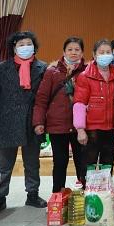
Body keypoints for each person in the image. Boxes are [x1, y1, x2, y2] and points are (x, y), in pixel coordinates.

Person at [0, 31, 48, 212]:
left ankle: (32, 195)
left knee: (32, 162)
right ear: (14, 47)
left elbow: (46, 97)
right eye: (21, 44)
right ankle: (0, 196)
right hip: (6, 120)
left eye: (28, 43)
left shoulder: (43, 68)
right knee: (4, 164)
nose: (25, 47)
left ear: (34, 46)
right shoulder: (2, 67)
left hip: (32, 121)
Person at [32, 36, 87, 192]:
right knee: (60, 162)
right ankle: (57, 196)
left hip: (81, 127)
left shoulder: (88, 71)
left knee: (82, 162)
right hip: (58, 125)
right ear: (64, 52)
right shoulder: (52, 71)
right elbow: (41, 99)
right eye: (70, 49)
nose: (73, 52)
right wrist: (39, 122)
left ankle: (86, 194)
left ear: (82, 52)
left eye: (77, 49)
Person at [74, 39, 114, 175]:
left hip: (111, 128)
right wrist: (80, 129)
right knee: (89, 165)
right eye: (101, 52)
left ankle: (105, 193)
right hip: (92, 130)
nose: (105, 55)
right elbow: (79, 104)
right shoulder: (85, 76)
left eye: (108, 52)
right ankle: (88, 192)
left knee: (108, 164)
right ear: (94, 55)